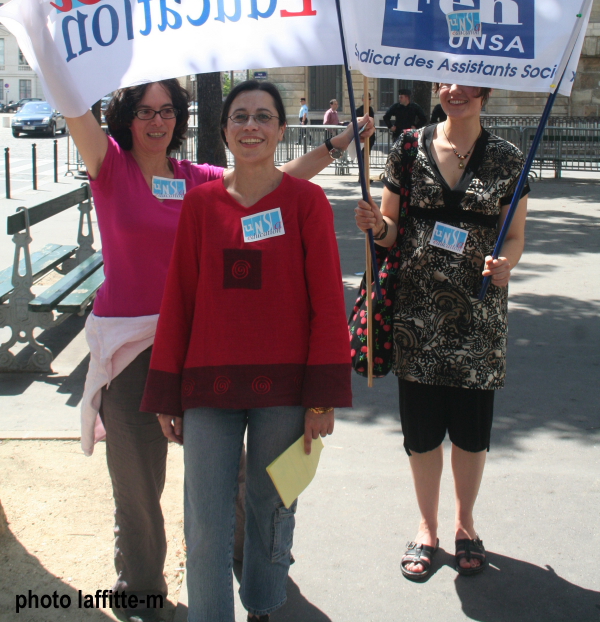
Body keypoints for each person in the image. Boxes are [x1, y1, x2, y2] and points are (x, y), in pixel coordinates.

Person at [67, 79, 372, 622]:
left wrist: (338, 144)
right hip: (151, 355)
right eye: (144, 111)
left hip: (235, 359)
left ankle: (257, 588)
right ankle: (144, 595)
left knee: (257, 500)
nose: (156, 121)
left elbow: (270, 183)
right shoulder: (115, 169)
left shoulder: (195, 182)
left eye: (167, 111)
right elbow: (184, 291)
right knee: (148, 493)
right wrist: (53, 58)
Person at [141, 80, 352, 622]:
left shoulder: (307, 202)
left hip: (286, 391)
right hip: (207, 389)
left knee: (272, 506)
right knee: (206, 519)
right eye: (239, 117)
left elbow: (327, 302)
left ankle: (263, 603)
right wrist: (167, 392)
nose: (251, 126)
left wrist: (323, 397)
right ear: (224, 131)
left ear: (282, 129)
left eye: (263, 116)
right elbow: (179, 300)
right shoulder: (200, 204)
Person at [354, 82, 528, 582]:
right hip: (416, 318)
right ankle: (427, 527)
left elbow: (513, 235)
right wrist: (375, 225)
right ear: (436, 88)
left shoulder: (507, 158)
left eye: (468, 84)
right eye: (446, 82)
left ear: (485, 91)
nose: (456, 91)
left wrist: (505, 265)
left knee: (472, 436)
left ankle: (465, 525)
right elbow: (389, 229)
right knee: (423, 434)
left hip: (478, 318)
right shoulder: (409, 146)